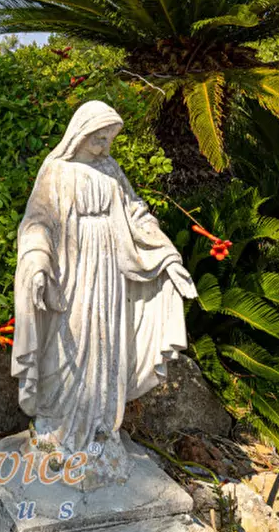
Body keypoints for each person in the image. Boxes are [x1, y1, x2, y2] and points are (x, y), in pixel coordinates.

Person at [12, 101, 197, 460]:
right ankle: (58, 427)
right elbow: (37, 222)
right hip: (72, 272)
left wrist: (168, 256)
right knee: (69, 343)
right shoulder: (56, 171)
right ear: (79, 135)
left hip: (110, 269)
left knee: (106, 344)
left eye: (108, 139)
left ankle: (99, 427)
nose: (104, 147)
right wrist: (36, 261)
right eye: (98, 139)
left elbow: (136, 213)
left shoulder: (110, 169)